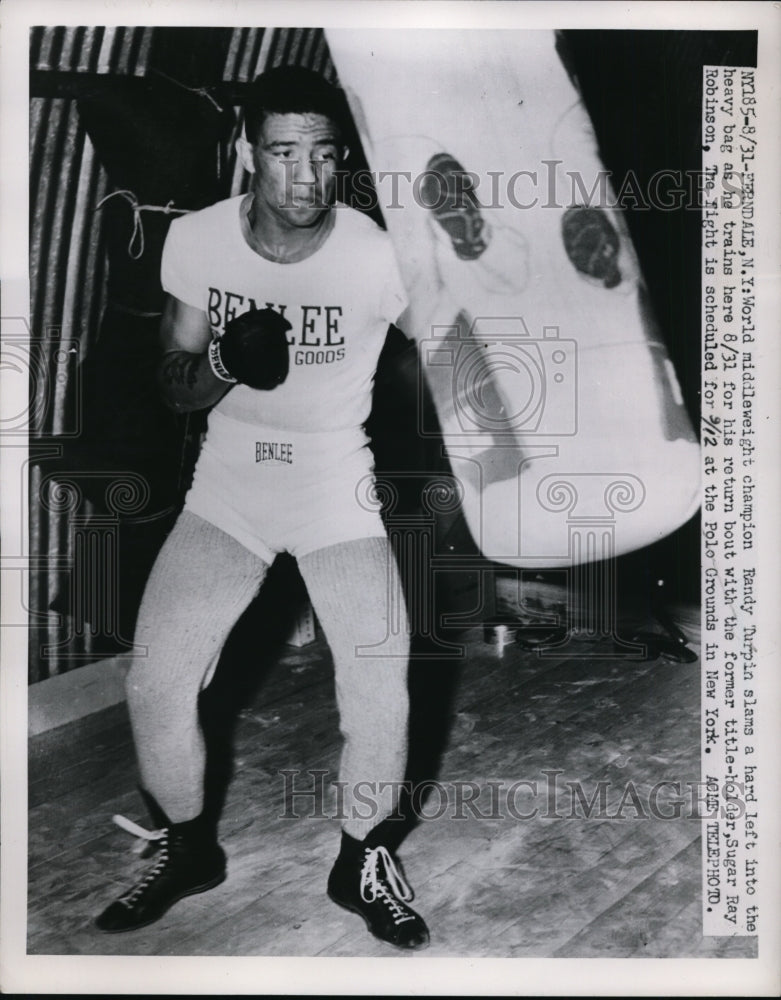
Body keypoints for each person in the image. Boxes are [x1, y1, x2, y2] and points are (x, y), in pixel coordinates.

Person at [94, 66, 429, 951]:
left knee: (379, 684)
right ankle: (188, 847)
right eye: (284, 153)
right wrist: (227, 366)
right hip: (231, 490)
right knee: (157, 683)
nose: (306, 176)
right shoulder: (201, 242)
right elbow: (173, 389)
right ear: (250, 155)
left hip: (335, 490)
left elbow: (459, 347)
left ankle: (362, 861)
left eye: (324, 154)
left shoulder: (374, 252)